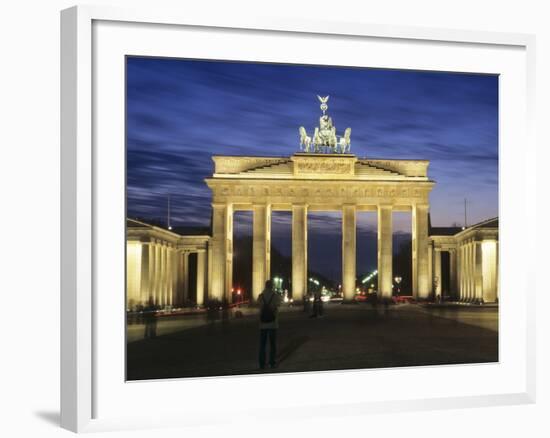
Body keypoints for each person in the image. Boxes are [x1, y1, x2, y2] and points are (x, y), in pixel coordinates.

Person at [257, 279, 282, 369]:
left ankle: (262, 364)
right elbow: (279, 304)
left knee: (262, 344)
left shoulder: (260, 296)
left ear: (265, 286)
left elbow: (258, 304)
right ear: (272, 286)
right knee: (272, 344)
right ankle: (272, 362)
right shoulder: (275, 296)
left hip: (263, 323)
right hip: (272, 323)